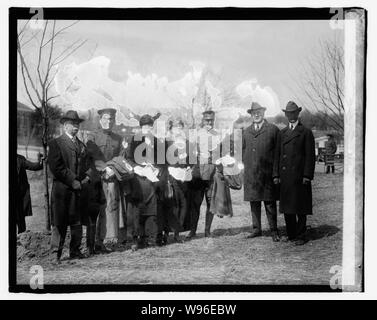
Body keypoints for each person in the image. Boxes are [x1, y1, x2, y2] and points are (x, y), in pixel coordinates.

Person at [48, 110, 92, 263]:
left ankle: (75, 250)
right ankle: (55, 254)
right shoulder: (56, 143)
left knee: (76, 221)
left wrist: (87, 177)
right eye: (73, 124)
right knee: (59, 222)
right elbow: (56, 167)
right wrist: (73, 180)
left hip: (78, 191)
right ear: (65, 125)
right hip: (62, 190)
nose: (76, 127)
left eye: (77, 124)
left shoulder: (81, 145)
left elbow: (88, 164)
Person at [277, 101, 316, 246]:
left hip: (300, 177)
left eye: (293, 113)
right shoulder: (282, 133)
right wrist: (276, 175)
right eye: (288, 113)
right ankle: (291, 233)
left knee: (301, 207)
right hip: (286, 177)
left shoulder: (306, 132)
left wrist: (307, 175)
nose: (291, 115)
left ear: (298, 113)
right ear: (286, 115)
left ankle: (301, 235)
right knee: (288, 207)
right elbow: (278, 155)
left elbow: (310, 156)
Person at [242, 102, 281, 242]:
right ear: (251, 115)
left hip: (267, 174)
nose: (256, 114)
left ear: (263, 113)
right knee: (254, 202)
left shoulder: (273, 130)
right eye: (254, 113)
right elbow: (242, 152)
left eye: (259, 112)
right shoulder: (246, 132)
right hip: (252, 174)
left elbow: (278, 154)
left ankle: (274, 230)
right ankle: (256, 229)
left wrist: (276, 173)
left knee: (270, 203)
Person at [86, 108, 123, 253]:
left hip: (111, 178)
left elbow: (120, 156)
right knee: (95, 210)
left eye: (111, 119)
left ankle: (103, 241)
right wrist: (103, 168)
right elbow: (92, 155)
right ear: (100, 119)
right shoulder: (92, 136)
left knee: (109, 208)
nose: (108, 121)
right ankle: (91, 243)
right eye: (106, 118)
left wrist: (113, 169)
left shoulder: (118, 138)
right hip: (96, 179)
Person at [126, 114, 161, 250]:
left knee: (151, 209)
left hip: (152, 179)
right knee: (137, 209)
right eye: (145, 126)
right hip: (138, 179)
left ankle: (149, 237)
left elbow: (162, 161)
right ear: (141, 127)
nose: (148, 128)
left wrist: (157, 168)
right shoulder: (134, 141)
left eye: (150, 126)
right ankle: (136, 238)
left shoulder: (157, 142)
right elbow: (128, 159)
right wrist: (138, 168)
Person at [186, 110, 221, 239]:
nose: (209, 122)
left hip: (212, 172)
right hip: (198, 172)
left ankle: (207, 230)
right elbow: (190, 152)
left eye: (211, 120)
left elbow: (221, 153)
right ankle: (193, 231)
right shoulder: (196, 134)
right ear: (203, 120)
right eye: (207, 120)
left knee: (210, 202)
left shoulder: (218, 135)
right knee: (195, 203)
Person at [16, 152, 43, 233]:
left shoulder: (20, 159)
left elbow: (33, 166)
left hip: (18, 196)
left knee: (20, 218)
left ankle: (21, 239)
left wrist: (41, 161)